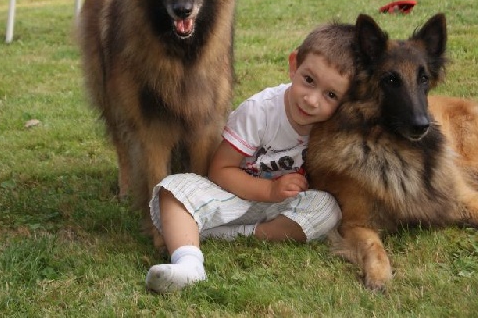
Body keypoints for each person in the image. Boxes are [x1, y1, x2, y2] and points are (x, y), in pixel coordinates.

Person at [145, 22, 356, 293]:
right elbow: (220, 170)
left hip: (278, 209)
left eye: (330, 95)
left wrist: (280, 195)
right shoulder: (260, 111)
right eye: (308, 80)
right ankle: (188, 263)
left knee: (327, 209)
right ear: (294, 65)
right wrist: (269, 189)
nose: (312, 100)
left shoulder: (330, 126)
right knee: (173, 190)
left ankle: (229, 235)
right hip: (232, 196)